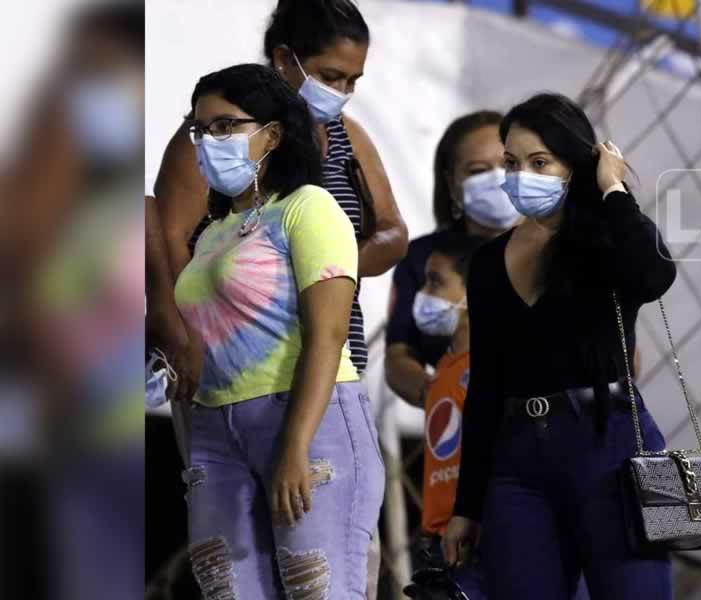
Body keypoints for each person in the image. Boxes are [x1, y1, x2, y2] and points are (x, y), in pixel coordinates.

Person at [441, 93, 676, 600]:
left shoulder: (605, 243)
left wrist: (613, 187)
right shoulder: (486, 262)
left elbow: (655, 274)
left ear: (575, 165)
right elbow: (484, 387)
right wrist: (467, 506)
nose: (520, 174)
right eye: (511, 162)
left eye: (539, 161)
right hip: (516, 461)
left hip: (607, 443)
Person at [174, 63, 384, 599]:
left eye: (225, 126)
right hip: (217, 432)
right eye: (201, 130)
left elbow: (329, 333)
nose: (207, 141)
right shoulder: (211, 234)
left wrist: (295, 445)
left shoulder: (310, 208)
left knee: (319, 590)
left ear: (272, 132)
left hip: (310, 423)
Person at [155, 0, 408, 382]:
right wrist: (187, 340)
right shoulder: (217, 135)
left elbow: (393, 233)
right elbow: (167, 238)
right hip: (230, 368)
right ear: (283, 59)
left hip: (333, 365)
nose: (341, 92)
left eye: (352, 81)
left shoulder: (347, 136)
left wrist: (322, 265)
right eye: (330, 76)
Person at [385, 110, 515, 406]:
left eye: (508, 165)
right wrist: (440, 396)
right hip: (460, 432)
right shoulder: (423, 258)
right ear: (451, 180)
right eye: (478, 170)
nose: (497, 179)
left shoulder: (562, 249)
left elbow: (625, 357)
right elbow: (398, 357)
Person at [408, 232, 488, 598]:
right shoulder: (441, 370)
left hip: (478, 536)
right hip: (439, 540)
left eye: (436, 282)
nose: (424, 293)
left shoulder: (490, 367)